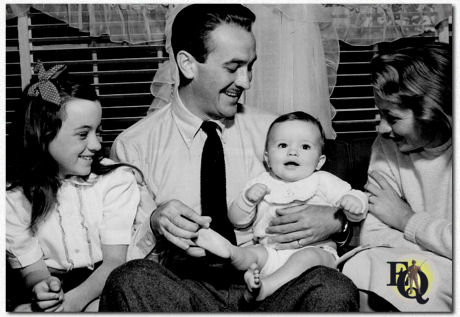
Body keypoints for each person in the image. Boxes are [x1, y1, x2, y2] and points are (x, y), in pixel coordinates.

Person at [100, 4, 359, 312]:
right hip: (186, 291)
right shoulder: (134, 145)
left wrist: (336, 223)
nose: (246, 81)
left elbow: (341, 205)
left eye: (250, 67)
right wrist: (156, 223)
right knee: (129, 279)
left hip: (270, 283)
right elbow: (125, 251)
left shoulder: (276, 132)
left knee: (333, 287)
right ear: (187, 64)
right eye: (233, 67)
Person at [6, 63, 141, 312]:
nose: (97, 145)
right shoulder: (13, 199)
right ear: (43, 134)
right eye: (83, 134)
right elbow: (33, 270)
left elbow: (114, 262)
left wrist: (72, 303)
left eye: (98, 131)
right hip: (52, 285)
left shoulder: (116, 180)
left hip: (107, 281)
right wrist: (44, 287)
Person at [195, 111, 368, 302]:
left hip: (315, 255)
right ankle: (230, 253)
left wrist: (354, 203)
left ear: (320, 162)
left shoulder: (322, 181)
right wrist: (247, 200)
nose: (292, 152)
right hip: (270, 253)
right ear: (268, 158)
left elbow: (355, 199)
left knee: (308, 257)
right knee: (252, 254)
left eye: (305, 146)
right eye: (283, 145)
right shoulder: (261, 183)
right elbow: (238, 221)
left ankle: (265, 288)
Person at [341, 43, 452, 312]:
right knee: (356, 268)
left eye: (392, 117)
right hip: (407, 259)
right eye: (380, 114)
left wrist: (406, 220)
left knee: (424, 284)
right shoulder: (386, 145)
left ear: (431, 114)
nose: (382, 128)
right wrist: (436, 245)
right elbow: (374, 234)